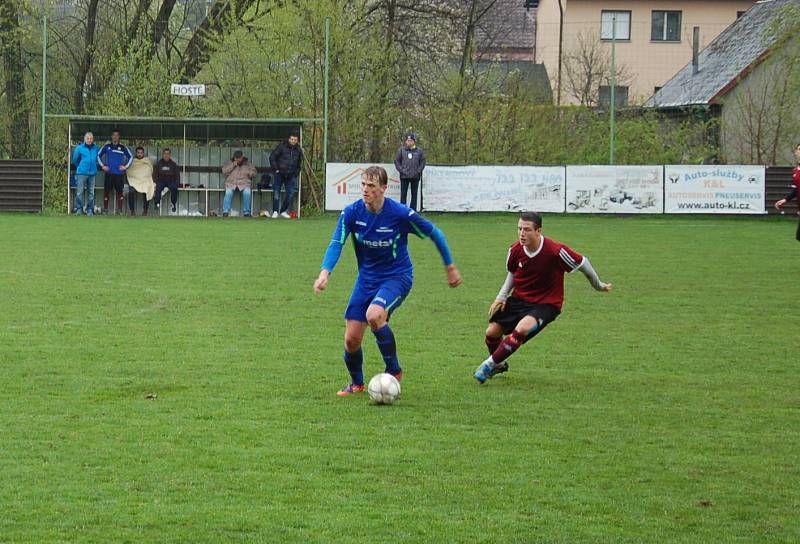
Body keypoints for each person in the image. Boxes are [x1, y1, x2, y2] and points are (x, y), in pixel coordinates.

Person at [313, 165, 462, 396]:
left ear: (383, 188)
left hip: (397, 277)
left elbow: (436, 233)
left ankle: (394, 370)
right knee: (351, 339)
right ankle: (357, 383)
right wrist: (325, 272)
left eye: (371, 186)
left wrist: (450, 267)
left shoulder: (400, 214)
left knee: (374, 315)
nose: (365, 190)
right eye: (362, 184)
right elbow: (336, 243)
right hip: (366, 280)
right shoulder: (351, 213)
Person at [474, 212, 613, 384]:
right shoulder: (515, 250)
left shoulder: (556, 251)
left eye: (526, 230)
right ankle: (499, 364)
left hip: (547, 303)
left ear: (538, 231)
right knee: (491, 333)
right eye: (519, 229)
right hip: (520, 299)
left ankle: (488, 364)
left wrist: (598, 285)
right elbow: (512, 273)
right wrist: (501, 296)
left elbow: (583, 263)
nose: (521, 234)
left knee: (523, 328)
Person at [97, 129, 133, 214]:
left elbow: (131, 157)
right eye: (114, 135)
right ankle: (105, 210)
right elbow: (98, 156)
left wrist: (125, 167)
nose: (115, 137)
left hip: (119, 174)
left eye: (117, 135)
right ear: (111, 136)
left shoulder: (123, 147)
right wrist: (103, 166)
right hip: (109, 173)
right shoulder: (107, 146)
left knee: (120, 192)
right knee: (106, 192)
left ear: (119, 137)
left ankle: (119, 210)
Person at [268, 133, 303, 218]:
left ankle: (283, 211)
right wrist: (276, 169)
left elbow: (299, 163)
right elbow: (272, 157)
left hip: (291, 176)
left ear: (297, 140)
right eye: (292, 139)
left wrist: (296, 173)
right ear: (289, 139)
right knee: (276, 192)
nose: (293, 141)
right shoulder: (281, 147)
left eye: (295, 140)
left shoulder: (298, 150)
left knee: (290, 194)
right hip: (279, 174)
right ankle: (275, 211)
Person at [774, 142, 800, 242]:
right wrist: (785, 199)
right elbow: (797, 189)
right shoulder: (796, 170)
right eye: (798, 149)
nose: (798, 151)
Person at [394, 132, 426, 211]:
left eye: (411, 140)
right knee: (403, 195)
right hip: (404, 176)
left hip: (415, 176)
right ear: (405, 141)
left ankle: (413, 212)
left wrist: (418, 171)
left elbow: (423, 162)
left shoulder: (419, 151)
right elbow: (397, 161)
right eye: (408, 140)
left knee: (414, 195)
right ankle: (403, 211)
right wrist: (402, 170)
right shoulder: (401, 150)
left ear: (414, 141)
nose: (409, 142)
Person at [221, 150, 257, 217]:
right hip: (231, 183)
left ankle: (246, 212)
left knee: (247, 193)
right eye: (236, 158)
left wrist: (250, 173)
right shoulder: (229, 162)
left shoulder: (248, 163)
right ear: (234, 158)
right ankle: (225, 211)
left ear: (242, 157)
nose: (237, 159)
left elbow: (254, 172)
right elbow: (224, 171)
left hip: (244, 183)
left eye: (239, 158)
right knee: (228, 193)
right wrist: (233, 165)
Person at [71, 131, 99, 216]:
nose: (89, 140)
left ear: (93, 139)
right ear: (85, 139)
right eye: (88, 138)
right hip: (81, 173)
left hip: (92, 173)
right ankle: (79, 209)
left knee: (91, 192)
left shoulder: (96, 148)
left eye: (91, 138)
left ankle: (89, 209)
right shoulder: (79, 148)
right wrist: (80, 167)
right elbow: (74, 159)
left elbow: (98, 159)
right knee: (80, 191)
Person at [126, 147, 155, 216]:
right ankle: (132, 211)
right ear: (136, 153)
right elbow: (129, 171)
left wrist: (145, 177)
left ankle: (145, 211)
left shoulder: (147, 161)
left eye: (141, 153)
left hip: (145, 181)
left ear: (143, 153)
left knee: (147, 190)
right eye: (138, 152)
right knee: (131, 191)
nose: (139, 154)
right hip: (134, 181)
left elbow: (149, 170)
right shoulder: (132, 161)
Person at [153, 148, 181, 213]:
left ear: (170, 155)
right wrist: (155, 181)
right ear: (163, 154)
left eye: (168, 154)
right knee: (158, 188)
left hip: (170, 180)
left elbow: (177, 174)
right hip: (161, 180)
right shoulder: (159, 163)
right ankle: (157, 203)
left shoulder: (173, 164)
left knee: (174, 188)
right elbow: (155, 174)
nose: (166, 155)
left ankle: (173, 203)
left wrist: (177, 183)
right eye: (165, 154)